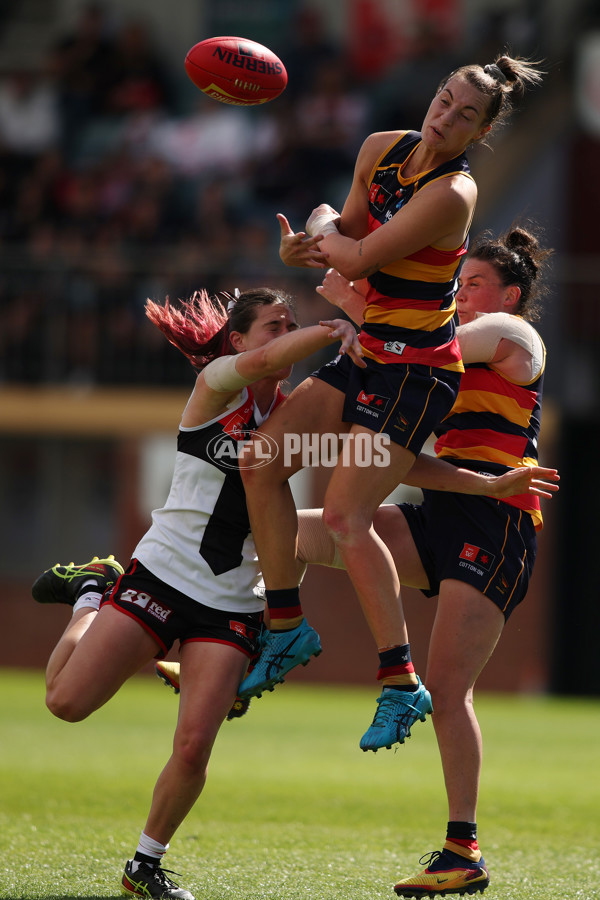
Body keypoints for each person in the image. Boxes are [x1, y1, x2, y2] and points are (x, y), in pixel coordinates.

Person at [236, 54, 545, 757]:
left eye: (466, 115)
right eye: (444, 99)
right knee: (259, 465)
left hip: (418, 375)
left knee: (345, 516)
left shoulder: (454, 193)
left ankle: (399, 680)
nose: (446, 116)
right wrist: (302, 246)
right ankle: (285, 628)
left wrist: (327, 243)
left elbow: (355, 255)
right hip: (370, 356)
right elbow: (336, 242)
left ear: (481, 132)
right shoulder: (382, 150)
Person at [31, 286, 363, 900]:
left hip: (233, 601)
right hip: (160, 575)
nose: (283, 334)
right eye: (273, 326)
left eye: (290, 324)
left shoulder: (293, 421)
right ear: (237, 341)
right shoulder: (216, 386)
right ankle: (91, 590)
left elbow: (360, 464)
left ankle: (145, 867)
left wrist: (479, 483)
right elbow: (264, 364)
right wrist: (328, 330)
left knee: (192, 747)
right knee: (65, 703)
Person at [309, 221, 555, 896]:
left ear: (509, 295)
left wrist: (359, 307)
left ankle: (463, 851)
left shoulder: (514, 338)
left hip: (497, 519)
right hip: (443, 505)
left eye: (475, 285)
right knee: (306, 531)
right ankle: (159, 593)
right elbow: (410, 442)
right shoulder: (435, 351)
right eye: (458, 284)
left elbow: (435, 345)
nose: (464, 294)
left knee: (448, 691)